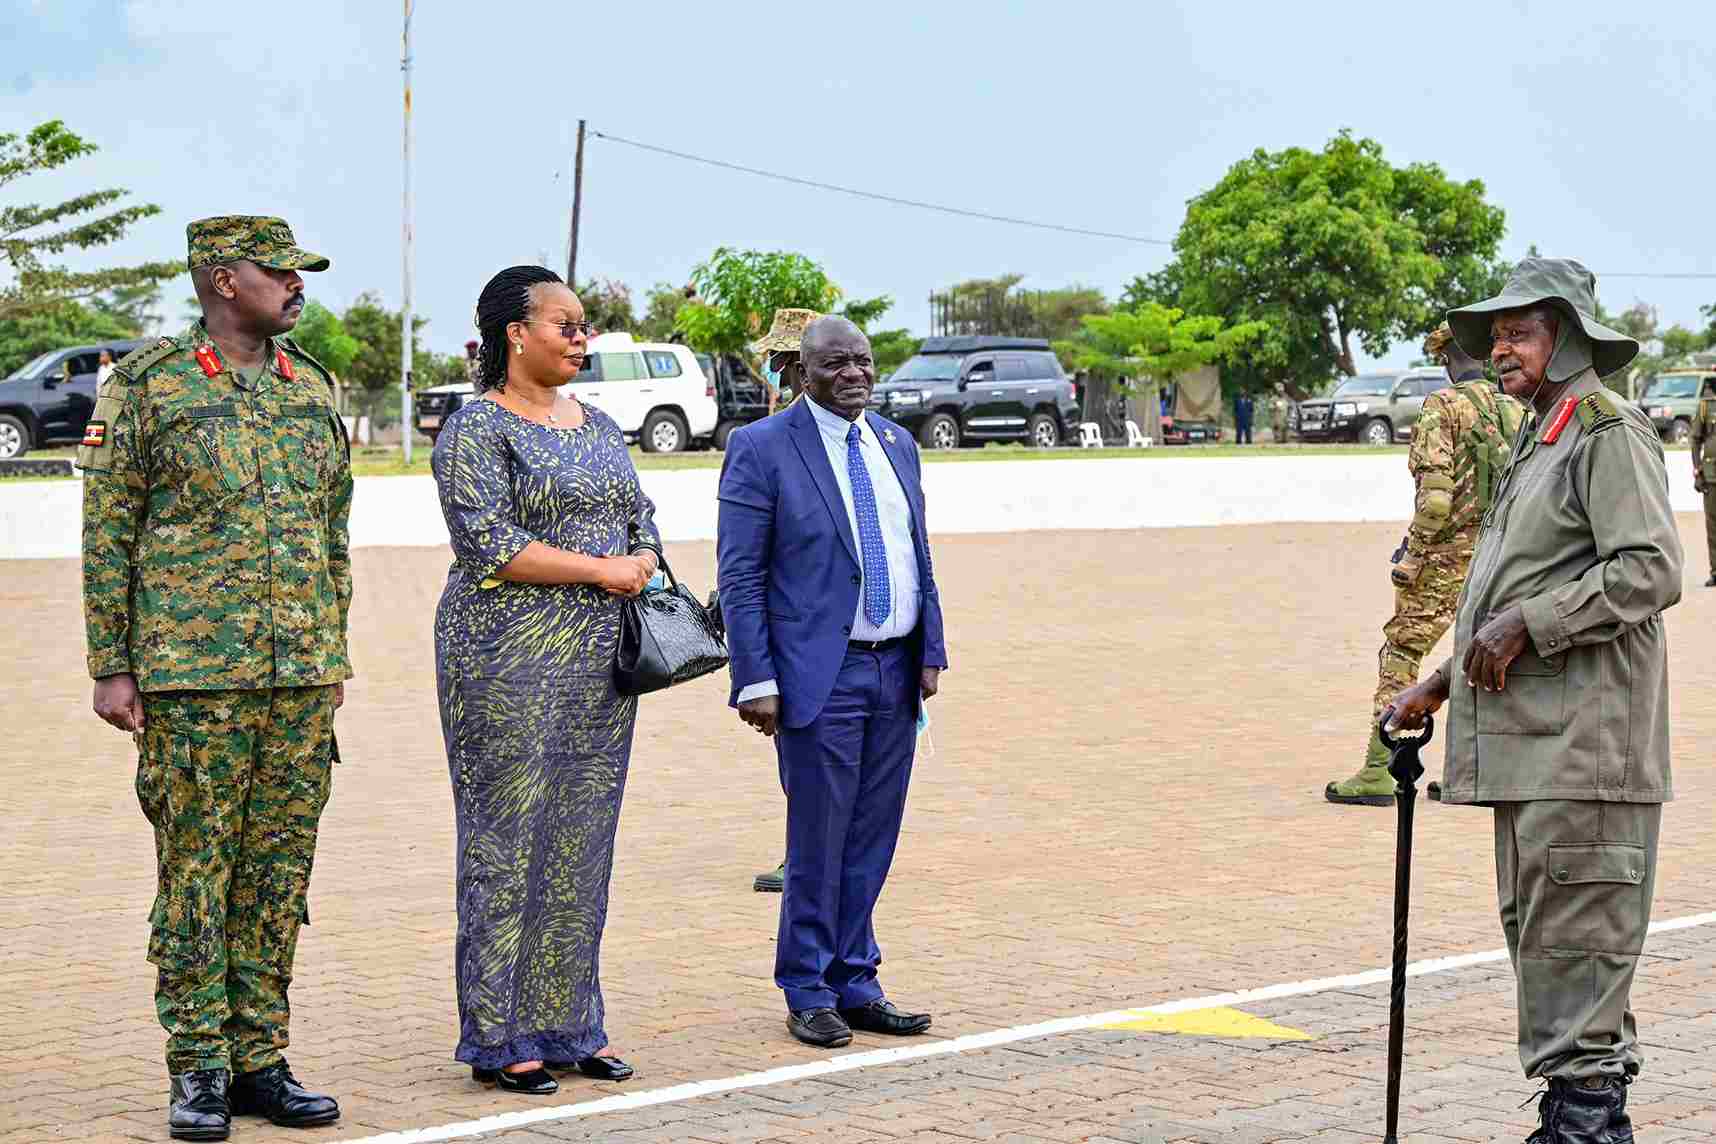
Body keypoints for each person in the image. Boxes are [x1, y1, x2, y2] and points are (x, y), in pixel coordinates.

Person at [1386, 258, 1681, 1142]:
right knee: (1553, 961)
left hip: (1586, 752)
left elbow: (1650, 569)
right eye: (1496, 336)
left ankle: (1587, 1130)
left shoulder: (1603, 431)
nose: (1499, 350)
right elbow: (1519, 579)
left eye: (1517, 333)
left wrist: (1527, 625)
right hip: (1537, 748)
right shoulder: (1540, 432)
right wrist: (1445, 674)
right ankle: (1576, 1121)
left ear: (1566, 339)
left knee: (1579, 970)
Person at [78, 216, 349, 1140]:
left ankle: (260, 1059)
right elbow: (109, 532)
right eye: (280, 271)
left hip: (300, 677)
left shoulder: (311, 387)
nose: (296, 285)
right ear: (224, 278)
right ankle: (198, 1063)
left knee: (278, 875)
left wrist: (331, 649)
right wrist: (112, 665)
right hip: (194, 680)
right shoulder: (147, 389)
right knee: (198, 874)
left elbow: (332, 533)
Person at [432, 266, 659, 1097]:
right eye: (564, 324)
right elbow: (488, 543)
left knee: (580, 844)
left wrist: (641, 559)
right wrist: (605, 569)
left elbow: (641, 513)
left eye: (584, 324)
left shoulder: (596, 423)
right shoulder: (474, 431)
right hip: (503, 663)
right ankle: (498, 1036)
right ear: (513, 334)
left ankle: (570, 1026)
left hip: (601, 665)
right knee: (506, 844)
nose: (579, 337)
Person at [717, 316, 948, 1049]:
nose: (854, 374)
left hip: (895, 666)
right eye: (836, 364)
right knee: (819, 837)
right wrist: (754, 676)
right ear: (801, 372)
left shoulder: (896, 444)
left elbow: (916, 550)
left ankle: (857, 978)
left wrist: (931, 648)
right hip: (820, 672)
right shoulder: (760, 449)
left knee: (874, 834)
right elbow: (741, 575)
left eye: (864, 361)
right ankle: (808, 985)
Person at [1325, 323, 1523, 805]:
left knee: (1402, 654)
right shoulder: (1516, 409)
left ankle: (1379, 770)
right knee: (1485, 657)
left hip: (1445, 558)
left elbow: (1435, 502)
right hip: (1502, 556)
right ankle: (1479, 773)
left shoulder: (1442, 407)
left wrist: (1411, 556)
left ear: (1445, 360)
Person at [740, 307, 823, 894]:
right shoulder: (778, 428)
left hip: (804, 621)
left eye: (780, 361)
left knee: (806, 755)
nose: (773, 370)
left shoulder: (800, 430)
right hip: (788, 612)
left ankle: (808, 859)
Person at [1688, 375, 1716, 587]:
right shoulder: (1707, 406)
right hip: (1712, 475)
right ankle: (1715, 571)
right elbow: (1696, 439)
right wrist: (1697, 471)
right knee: (1713, 526)